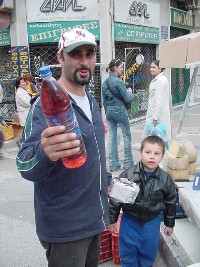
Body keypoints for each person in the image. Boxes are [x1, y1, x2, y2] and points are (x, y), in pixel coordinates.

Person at [16, 27, 109, 267]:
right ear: (60, 57)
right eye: (76, 54)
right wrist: (44, 153)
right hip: (65, 229)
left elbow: (96, 153)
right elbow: (24, 163)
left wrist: (108, 182)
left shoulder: (91, 100)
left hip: (94, 220)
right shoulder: (43, 107)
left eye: (90, 54)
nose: (84, 61)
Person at [109, 135, 177, 267]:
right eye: (148, 152)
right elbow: (115, 199)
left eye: (157, 153)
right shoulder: (128, 175)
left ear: (162, 156)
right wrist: (112, 220)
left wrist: (169, 224)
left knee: (148, 253)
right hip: (129, 220)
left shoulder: (166, 179)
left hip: (151, 222)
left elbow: (171, 203)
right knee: (127, 253)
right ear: (140, 153)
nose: (152, 156)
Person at [102, 59, 134, 172]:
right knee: (126, 136)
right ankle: (128, 162)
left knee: (112, 138)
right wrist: (130, 92)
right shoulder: (119, 82)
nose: (122, 69)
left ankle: (113, 164)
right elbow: (127, 98)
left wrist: (107, 113)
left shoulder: (104, 83)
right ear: (115, 68)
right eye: (121, 67)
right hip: (120, 109)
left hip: (109, 111)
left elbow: (104, 102)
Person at [146, 60, 172, 143]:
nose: (151, 69)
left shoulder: (160, 81)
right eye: (151, 67)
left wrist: (155, 117)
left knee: (157, 140)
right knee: (159, 139)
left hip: (158, 116)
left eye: (154, 67)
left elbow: (158, 100)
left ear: (160, 69)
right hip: (157, 114)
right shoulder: (160, 79)